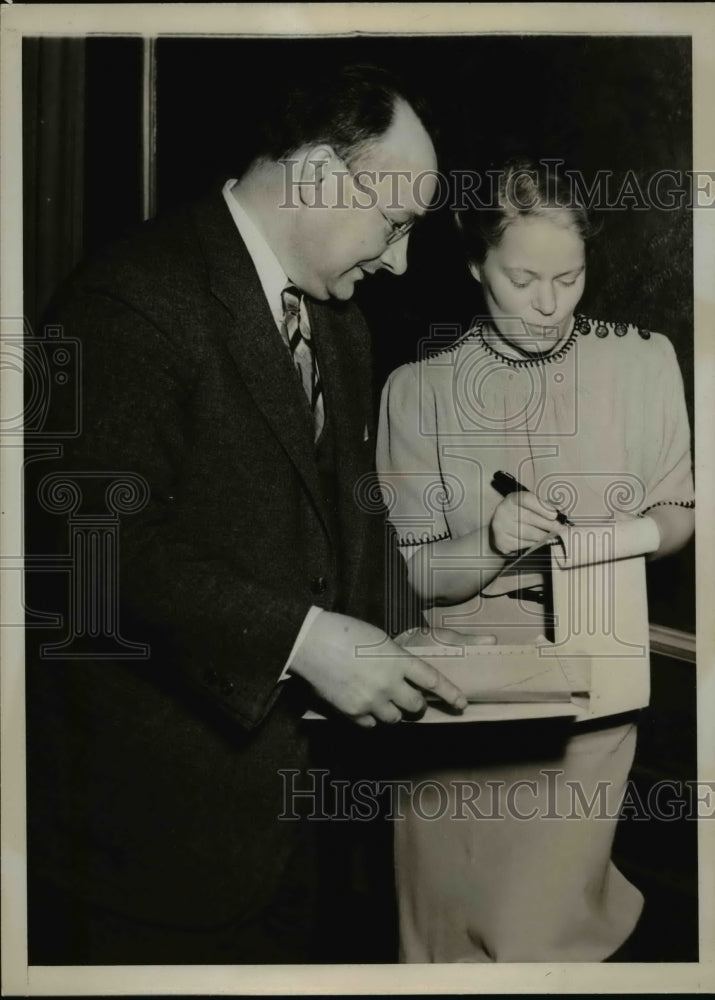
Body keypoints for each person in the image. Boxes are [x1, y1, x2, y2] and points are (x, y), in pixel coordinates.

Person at [24, 64, 470, 965]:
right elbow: (85, 545)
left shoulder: (337, 322)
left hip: (293, 831)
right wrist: (303, 640)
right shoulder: (132, 296)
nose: (400, 260)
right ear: (313, 173)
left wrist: (407, 630)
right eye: (397, 222)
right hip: (151, 851)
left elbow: (343, 512)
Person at [376, 156, 695, 962]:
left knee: (538, 941)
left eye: (569, 277)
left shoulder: (641, 361)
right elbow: (419, 575)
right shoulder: (414, 391)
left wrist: (603, 543)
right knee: (442, 947)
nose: (549, 305)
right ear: (477, 262)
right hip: (456, 704)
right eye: (523, 280)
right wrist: (487, 540)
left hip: (590, 689)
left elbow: (680, 511)